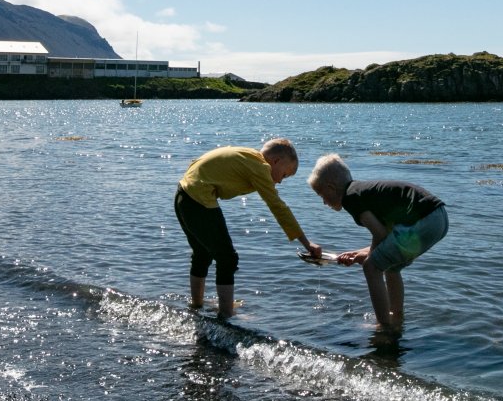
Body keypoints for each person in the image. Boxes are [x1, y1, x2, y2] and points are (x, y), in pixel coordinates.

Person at [175, 138, 323, 320]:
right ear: (275, 161)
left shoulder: (249, 157)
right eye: (284, 175)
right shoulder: (261, 168)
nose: (281, 182)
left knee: (202, 254)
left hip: (183, 195)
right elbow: (278, 207)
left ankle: (196, 306)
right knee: (227, 259)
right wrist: (307, 243)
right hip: (199, 200)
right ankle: (226, 315)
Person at [306, 153, 448, 336]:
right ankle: (396, 317)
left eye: (321, 195)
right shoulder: (363, 192)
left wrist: (367, 257)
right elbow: (386, 235)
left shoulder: (350, 198)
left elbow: (379, 235)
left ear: (331, 187)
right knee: (390, 265)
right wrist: (359, 253)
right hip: (438, 218)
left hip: (425, 220)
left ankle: (384, 328)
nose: (324, 202)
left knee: (371, 267)